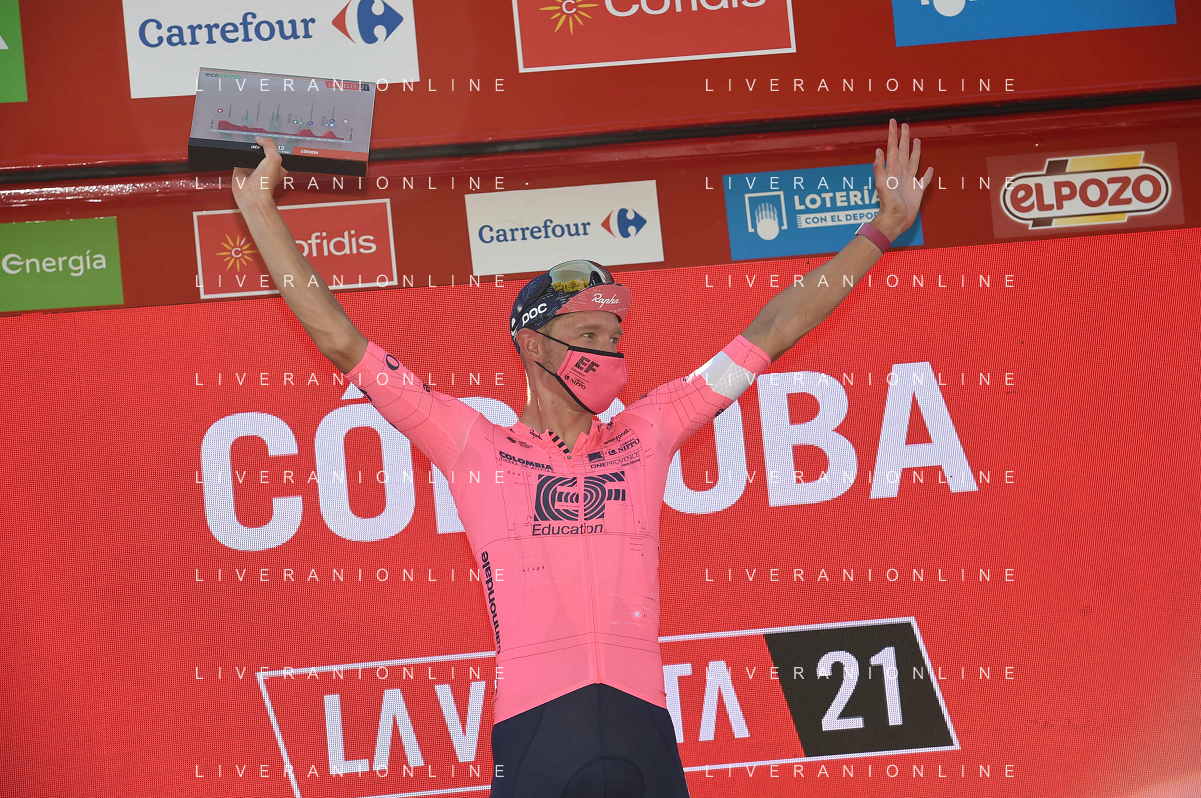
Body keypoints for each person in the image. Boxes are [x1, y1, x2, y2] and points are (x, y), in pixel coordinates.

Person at [232, 119, 932, 798]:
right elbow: (341, 341)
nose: (609, 351)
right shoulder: (473, 443)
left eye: (614, 335)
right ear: (534, 346)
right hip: (536, 736)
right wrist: (259, 208)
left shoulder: (648, 431)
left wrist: (880, 229)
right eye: (589, 334)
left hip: (641, 730)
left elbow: (771, 328)